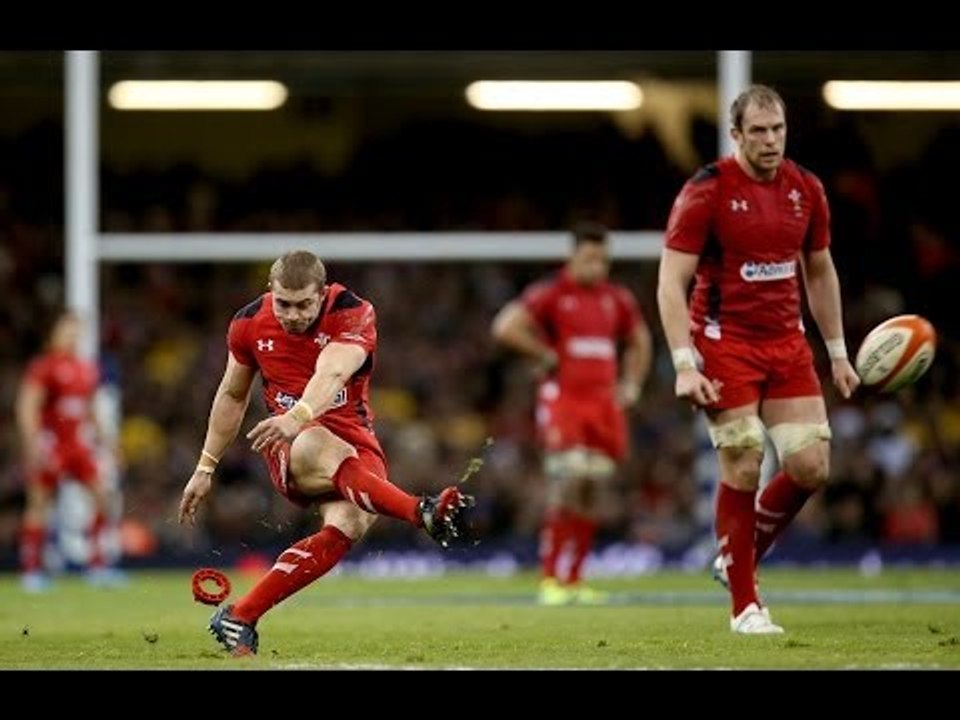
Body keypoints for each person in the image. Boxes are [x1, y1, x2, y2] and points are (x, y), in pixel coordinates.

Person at [178, 250, 473, 656]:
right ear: (270, 291)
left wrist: (297, 414)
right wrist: (205, 466)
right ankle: (420, 511)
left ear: (322, 294)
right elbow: (231, 395)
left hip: (351, 439)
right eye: (283, 303)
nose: (293, 314)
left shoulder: (353, 312)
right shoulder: (247, 323)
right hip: (293, 445)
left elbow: (332, 371)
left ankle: (240, 615)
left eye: (303, 304)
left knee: (348, 525)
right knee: (318, 443)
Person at [657, 85, 860, 634]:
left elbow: (819, 270)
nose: (771, 141)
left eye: (778, 130)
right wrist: (683, 363)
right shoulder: (707, 191)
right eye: (759, 131)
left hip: (787, 343)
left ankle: (735, 556)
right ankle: (746, 606)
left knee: (811, 466)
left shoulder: (806, 189)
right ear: (737, 134)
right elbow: (671, 283)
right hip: (724, 344)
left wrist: (837, 353)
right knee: (744, 461)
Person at [492, 221, 652, 605]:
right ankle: (550, 578)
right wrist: (543, 354)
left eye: (602, 259)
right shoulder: (551, 295)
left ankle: (575, 578)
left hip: (603, 404)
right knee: (567, 480)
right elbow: (505, 326)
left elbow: (640, 339)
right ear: (573, 257)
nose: (596, 266)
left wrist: (631, 384)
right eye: (589, 258)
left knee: (594, 488)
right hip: (564, 401)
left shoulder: (616, 299)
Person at [16, 311, 120, 591]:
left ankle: (98, 566)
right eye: (67, 331)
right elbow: (28, 406)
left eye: (77, 332)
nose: (72, 336)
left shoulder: (86, 368)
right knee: (40, 503)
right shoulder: (44, 367)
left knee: (102, 497)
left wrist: (106, 442)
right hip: (52, 444)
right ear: (55, 334)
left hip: (78, 445)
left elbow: (89, 410)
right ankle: (31, 571)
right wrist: (33, 443)